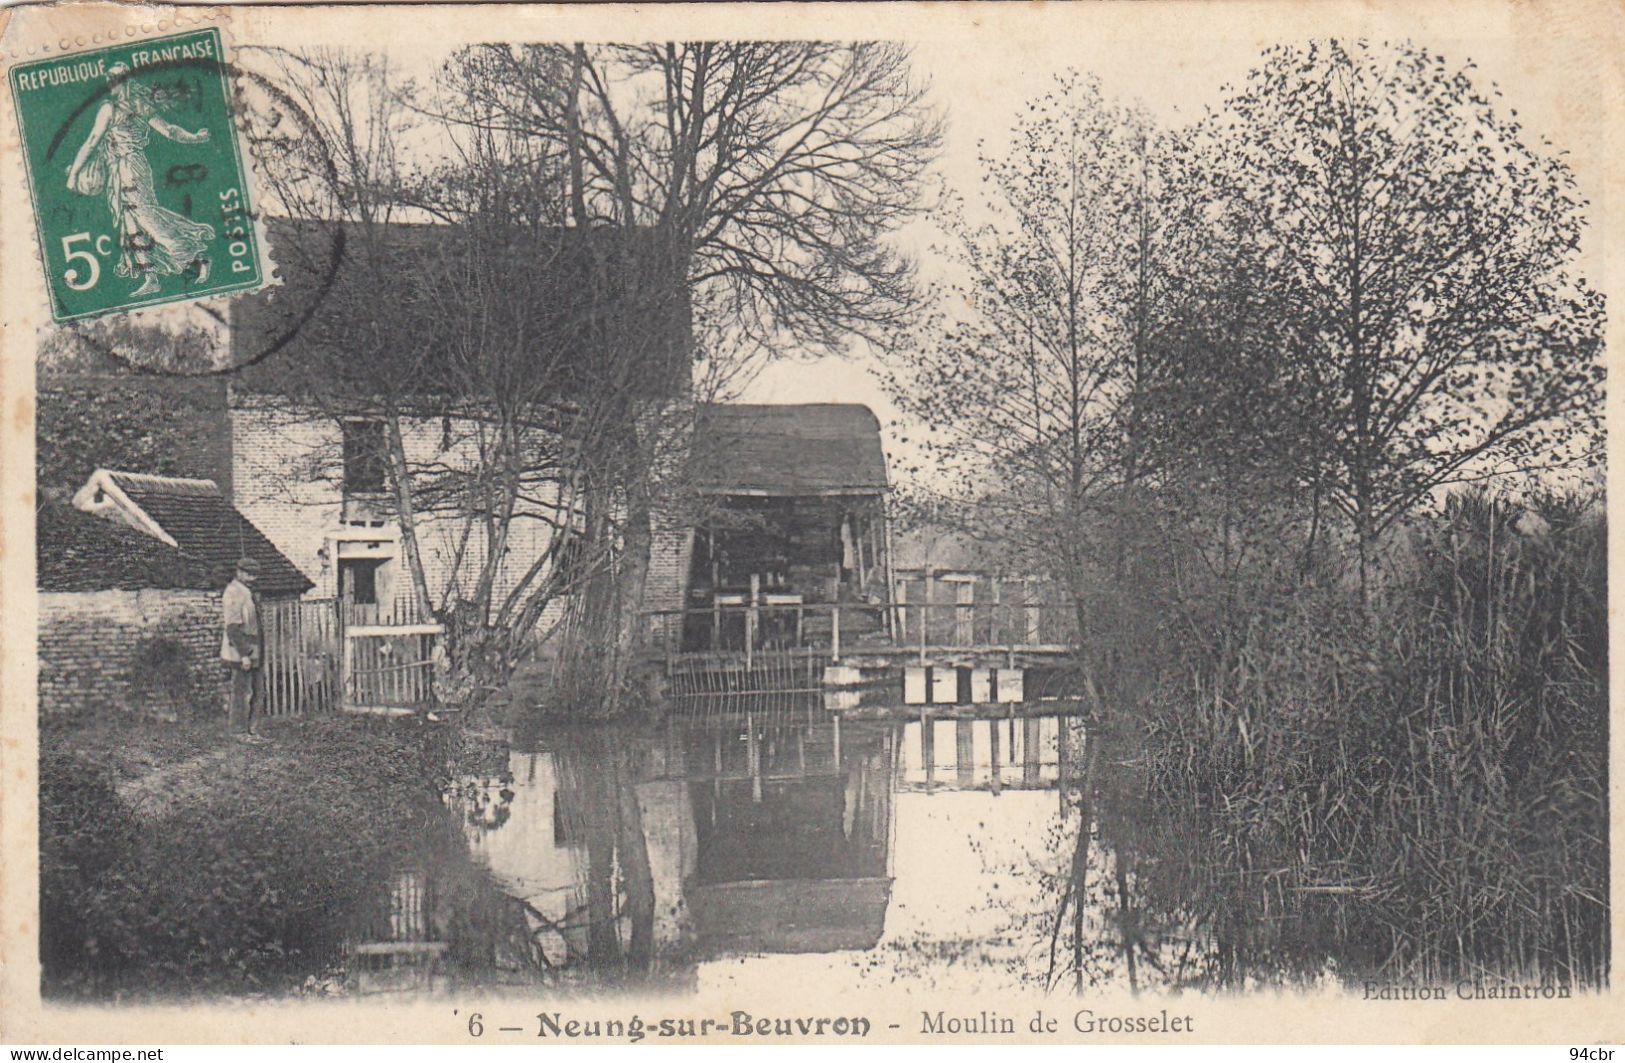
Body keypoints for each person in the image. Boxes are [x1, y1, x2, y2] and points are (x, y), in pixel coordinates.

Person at [64, 62, 215, 297]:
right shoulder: (127, 105)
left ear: (126, 80)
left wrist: (194, 138)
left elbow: (167, 130)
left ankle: (196, 256)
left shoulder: (125, 106)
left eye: (116, 79)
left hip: (131, 167)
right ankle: (151, 276)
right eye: (110, 80)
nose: (112, 85)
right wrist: (194, 138)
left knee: (146, 216)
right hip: (120, 168)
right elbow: (95, 141)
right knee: (130, 224)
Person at [221, 557, 263, 740]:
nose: (251, 578)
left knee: (258, 691)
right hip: (241, 653)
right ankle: (238, 731)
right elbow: (233, 628)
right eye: (248, 573)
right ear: (238, 572)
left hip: (255, 651)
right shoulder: (233, 592)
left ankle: (252, 730)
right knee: (241, 692)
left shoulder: (248, 592)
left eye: (254, 574)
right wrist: (244, 654)